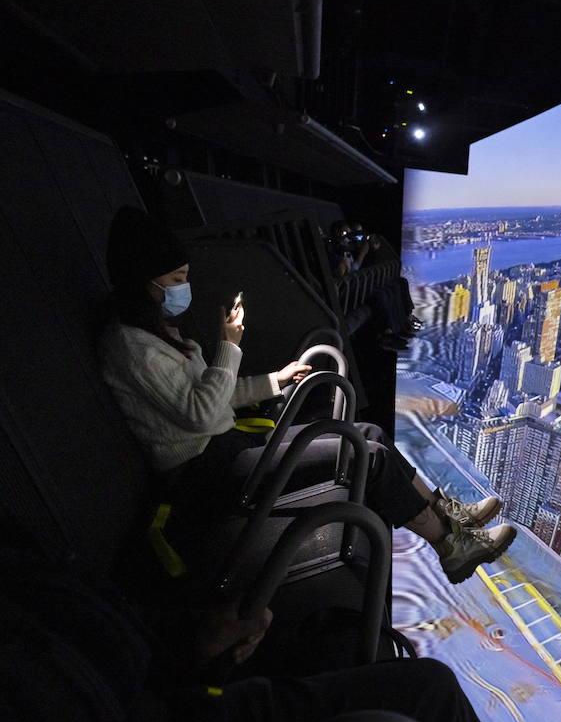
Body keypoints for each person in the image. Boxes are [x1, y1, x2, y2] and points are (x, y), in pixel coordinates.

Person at [98, 206, 514, 583]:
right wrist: (229, 345)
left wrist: (276, 379)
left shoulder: (160, 334)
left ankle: (448, 512)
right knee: (365, 454)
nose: (183, 288)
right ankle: (451, 546)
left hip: (225, 447)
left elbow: (214, 395)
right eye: (175, 280)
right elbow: (203, 413)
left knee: (365, 431)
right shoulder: (133, 347)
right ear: (143, 281)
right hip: (205, 474)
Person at [0, 527, 521, 722]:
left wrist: (190, 643)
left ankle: (448, 532)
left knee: (360, 648)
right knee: (427, 698)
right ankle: (447, 535)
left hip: (171, 703)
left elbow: (92, 625)